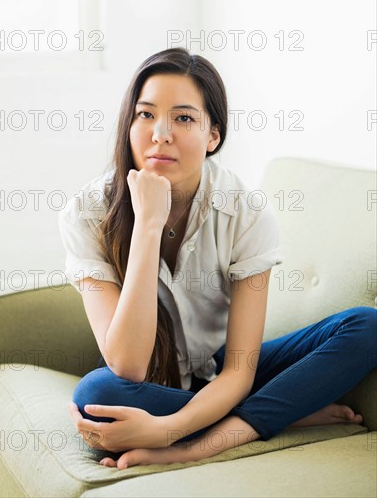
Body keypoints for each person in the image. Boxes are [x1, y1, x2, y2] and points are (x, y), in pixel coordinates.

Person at [58, 47, 377, 470]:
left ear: (213, 136)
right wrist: (148, 226)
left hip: (223, 373)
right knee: (96, 398)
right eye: (146, 114)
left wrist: (171, 437)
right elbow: (128, 365)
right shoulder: (87, 212)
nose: (161, 133)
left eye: (184, 118)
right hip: (147, 384)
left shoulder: (247, 211)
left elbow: (238, 372)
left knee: (367, 326)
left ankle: (223, 430)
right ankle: (280, 411)